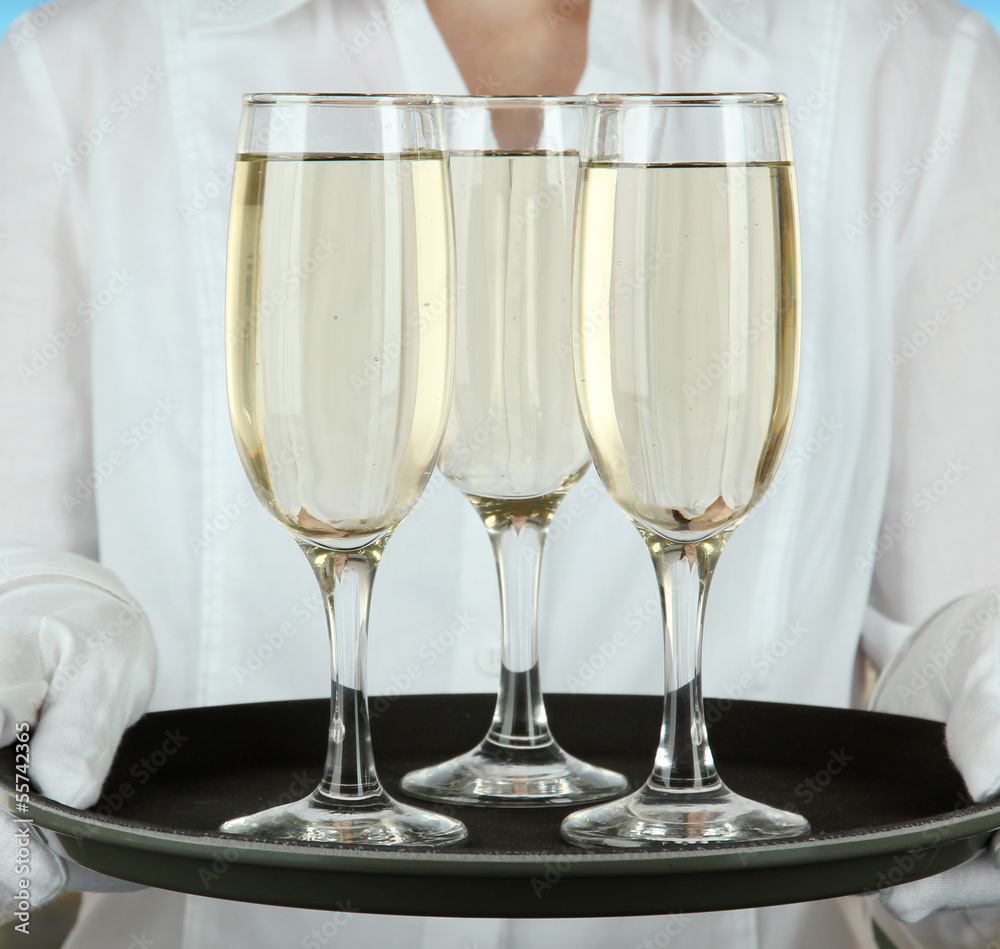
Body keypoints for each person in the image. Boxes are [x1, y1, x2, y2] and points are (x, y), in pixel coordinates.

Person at [1, 0, 1000, 945]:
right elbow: (20, 575)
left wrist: (965, 709)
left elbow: (961, 613)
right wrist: (26, 679)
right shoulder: (75, 72)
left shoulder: (918, 73)